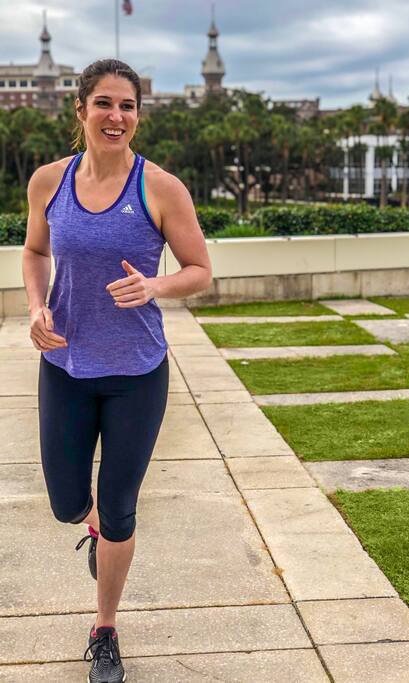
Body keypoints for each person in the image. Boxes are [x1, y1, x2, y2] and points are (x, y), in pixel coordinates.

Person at [22, 58, 212, 683]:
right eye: (104, 103)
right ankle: (94, 528)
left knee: (120, 507)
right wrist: (37, 306)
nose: (116, 116)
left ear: (137, 115)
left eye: (127, 106)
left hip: (136, 372)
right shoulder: (49, 181)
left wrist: (155, 285)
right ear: (80, 110)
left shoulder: (160, 187)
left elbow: (200, 271)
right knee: (66, 502)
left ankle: (104, 628)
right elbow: (34, 250)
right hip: (66, 365)